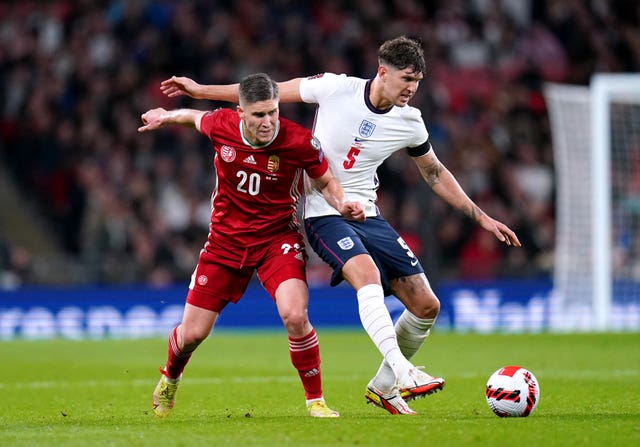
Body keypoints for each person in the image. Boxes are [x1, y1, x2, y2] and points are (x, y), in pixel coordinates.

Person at [160, 36, 521, 415]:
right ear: (383, 72)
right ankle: (404, 371)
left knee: (426, 305)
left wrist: (480, 216)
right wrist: (201, 91)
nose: (412, 89)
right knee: (365, 276)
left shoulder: (410, 121)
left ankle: (384, 387)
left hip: (368, 213)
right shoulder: (335, 88)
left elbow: (433, 173)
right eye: (406, 80)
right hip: (322, 212)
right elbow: (267, 90)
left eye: (417, 82)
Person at [139, 73, 365, 418]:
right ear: (241, 113)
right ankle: (170, 376)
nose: (268, 121)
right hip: (225, 242)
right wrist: (165, 116)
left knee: (295, 314)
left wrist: (342, 202)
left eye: (273, 112)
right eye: (259, 115)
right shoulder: (222, 124)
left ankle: (315, 400)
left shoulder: (299, 142)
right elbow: (193, 117)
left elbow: (327, 180)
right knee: (193, 334)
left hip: (278, 239)